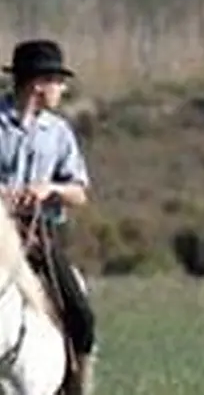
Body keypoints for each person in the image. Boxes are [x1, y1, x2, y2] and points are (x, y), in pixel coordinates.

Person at [0, 38, 95, 385]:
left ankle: (77, 384)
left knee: (82, 316)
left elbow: (79, 193)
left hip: (40, 237)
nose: (62, 88)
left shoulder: (58, 133)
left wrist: (50, 190)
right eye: (57, 81)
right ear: (38, 84)